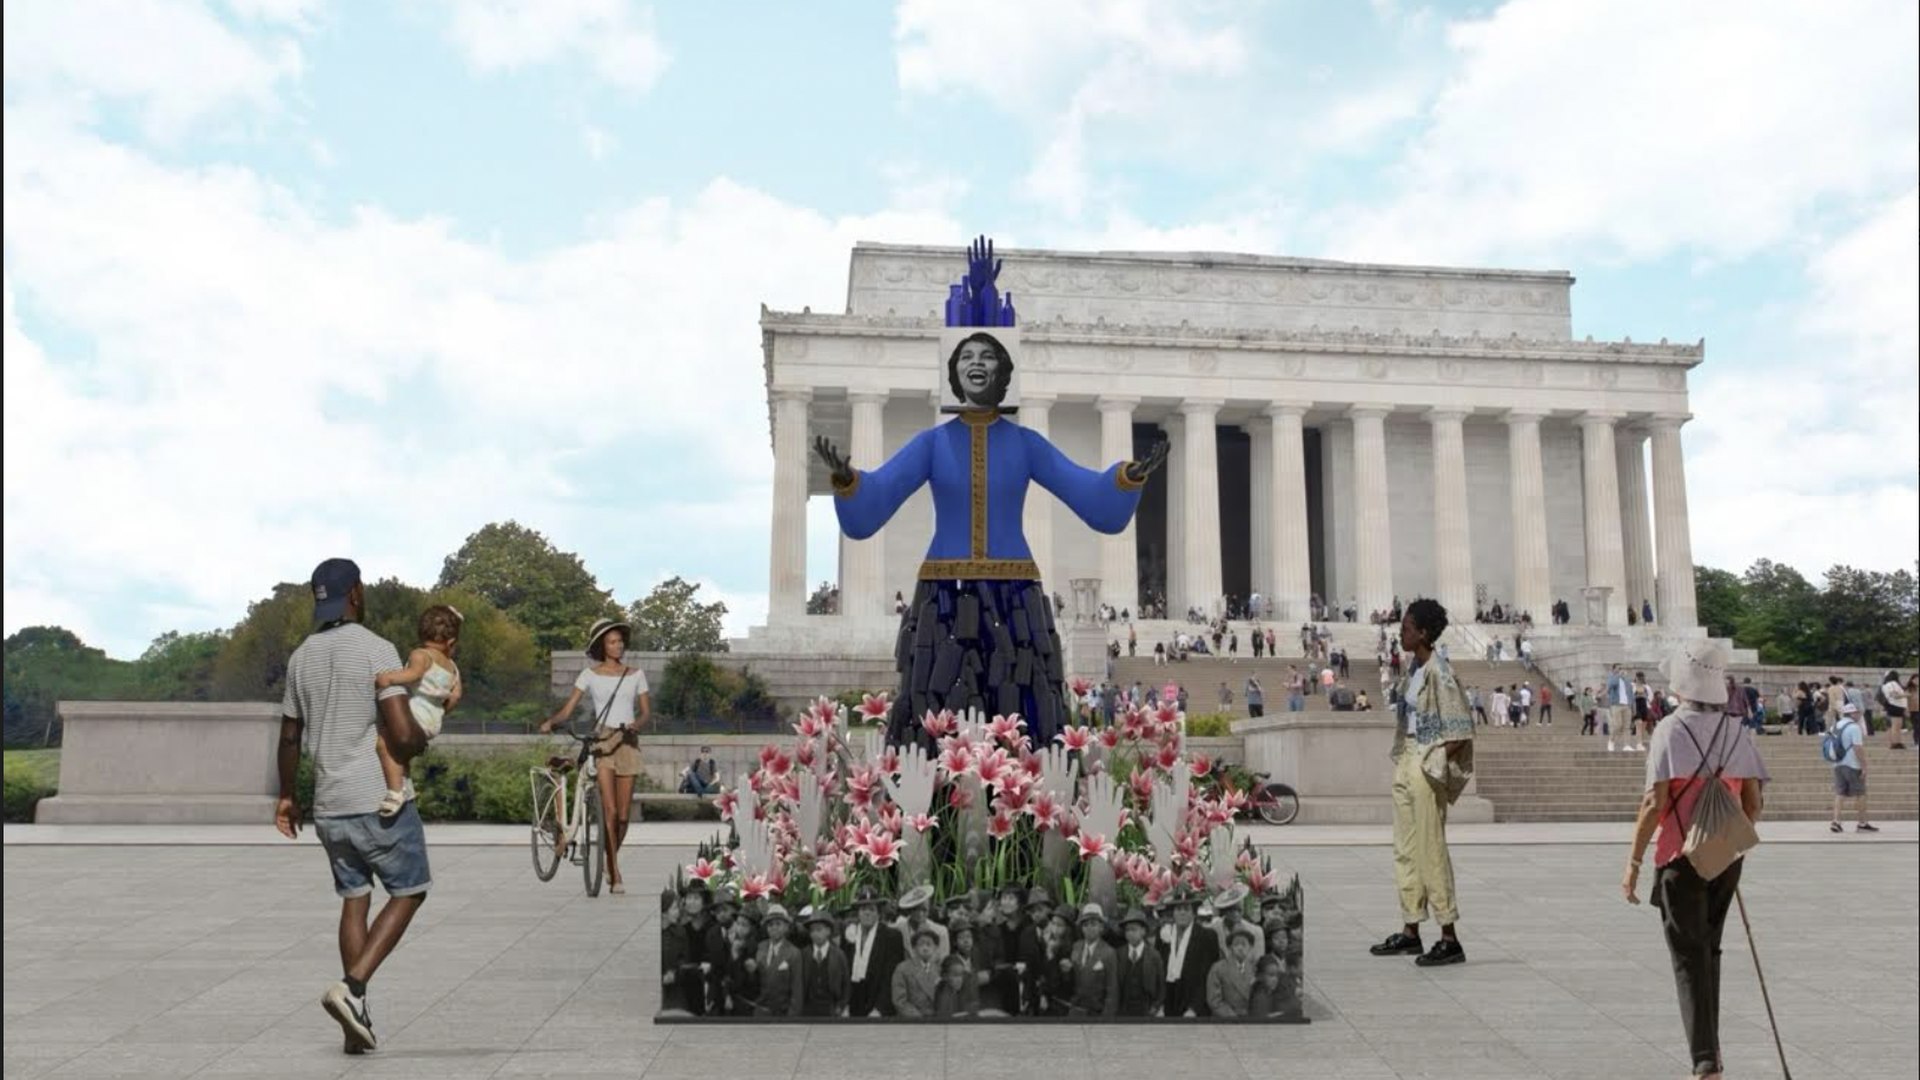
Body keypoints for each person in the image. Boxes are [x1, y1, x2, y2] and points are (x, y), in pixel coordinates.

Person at [816, 299, 1167, 749]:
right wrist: (848, 482)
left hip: (1015, 599)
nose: (976, 365)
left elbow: (1091, 499)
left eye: (987, 357)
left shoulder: (1026, 444)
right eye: (966, 356)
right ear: (953, 371)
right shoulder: (932, 444)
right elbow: (875, 504)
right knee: (932, 717)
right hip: (944, 596)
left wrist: (1127, 478)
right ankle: (933, 811)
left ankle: (1026, 816)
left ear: (1004, 371)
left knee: (1027, 718)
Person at [276, 558, 431, 1055]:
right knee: (410, 891)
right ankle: (353, 987)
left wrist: (287, 796)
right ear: (357, 594)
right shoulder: (377, 650)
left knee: (355, 897)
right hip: (375, 797)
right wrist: (417, 743)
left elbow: (289, 736)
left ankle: (354, 1025)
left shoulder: (301, 656)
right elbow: (401, 734)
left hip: (328, 804)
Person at [1622, 640, 1768, 1080]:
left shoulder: (1669, 729)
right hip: (1725, 856)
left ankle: (1706, 1063)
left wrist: (1632, 862)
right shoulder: (1735, 730)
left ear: (1682, 685)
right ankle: (1712, 1054)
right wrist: (1725, 839)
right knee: (1710, 951)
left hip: (1679, 858)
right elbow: (1754, 804)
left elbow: (1654, 803)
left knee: (1689, 958)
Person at [1371, 598, 1474, 968]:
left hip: (1426, 760)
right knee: (1406, 848)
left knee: (1430, 848)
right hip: (1407, 756)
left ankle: (1449, 936)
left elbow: (1461, 728)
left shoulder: (1439, 672)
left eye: (1408, 628)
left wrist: (1434, 760)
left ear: (1424, 633)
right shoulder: (1414, 670)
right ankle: (1410, 929)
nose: (1402, 633)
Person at [540, 618, 651, 894]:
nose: (618, 645)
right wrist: (551, 722)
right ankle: (615, 872)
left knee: (624, 817)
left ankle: (608, 859)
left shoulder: (636, 674)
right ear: (602, 646)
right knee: (610, 811)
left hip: (627, 741)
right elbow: (568, 710)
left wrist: (636, 725)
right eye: (612, 641)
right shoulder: (589, 675)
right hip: (602, 742)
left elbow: (646, 712)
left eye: (620, 641)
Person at [371, 605, 463, 817]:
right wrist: (440, 711)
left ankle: (395, 792)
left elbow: (413, 675)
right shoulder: (453, 667)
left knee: (384, 742)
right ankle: (406, 785)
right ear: (451, 642)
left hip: (414, 716)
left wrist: (389, 678)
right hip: (432, 722)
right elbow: (456, 696)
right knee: (401, 754)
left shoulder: (421, 654)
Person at [846, 887, 906, 1017]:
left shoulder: (891, 936)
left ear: (879, 913)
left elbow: (891, 977)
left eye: (871, 909)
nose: (867, 913)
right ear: (858, 913)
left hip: (878, 1005)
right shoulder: (850, 935)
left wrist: (880, 1009)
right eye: (863, 909)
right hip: (854, 1002)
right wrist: (845, 1006)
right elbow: (845, 974)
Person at [1161, 893, 1219, 1017]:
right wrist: (1159, 1006)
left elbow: (1208, 976)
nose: (1182, 913)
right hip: (1169, 1001)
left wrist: (1194, 1008)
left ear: (1193, 913)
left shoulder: (1207, 936)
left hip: (1194, 1004)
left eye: (1186, 909)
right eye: (1178, 909)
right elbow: (1159, 973)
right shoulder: (1164, 934)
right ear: (1173, 913)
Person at [1828, 703, 1877, 834]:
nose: (1859, 715)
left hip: (1837, 764)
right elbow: (1858, 748)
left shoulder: (1835, 726)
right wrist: (1864, 766)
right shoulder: (1854, 727)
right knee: (1861, 793)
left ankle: (1836, 822)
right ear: (1852, 713)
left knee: (1840, 793)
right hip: (1852, 764)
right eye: (1857, 712)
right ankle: (1862, 823)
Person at [752, 905, 805, 1018]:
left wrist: (792, 1016)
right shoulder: (760, 948)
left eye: (778, 924)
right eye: (770, 924)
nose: (774, 927)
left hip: (782, 1013)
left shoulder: (794, 953)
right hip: (761, 1011)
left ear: (786, 927)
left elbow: (797, 989)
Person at [1067, 905, 1119, 1017]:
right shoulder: (1076, 947)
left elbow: (1112, 990)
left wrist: (1106, 1018)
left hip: (1096, 1013)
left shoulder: (1109, 953)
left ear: (1101, 927)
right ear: (1081, 928)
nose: (1089, 928)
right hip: (1075, 1010)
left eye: (1093, 924)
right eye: (1085, 925)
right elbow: (1071, 980)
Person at [800, 908, 850, 1017]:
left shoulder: (838, 955)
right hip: (808, 1008)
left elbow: (846, 984)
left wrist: (841, 1006)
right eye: (812, 930)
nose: (815, 934)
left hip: (831, 1008)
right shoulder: (804, 954)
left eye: (819, 929)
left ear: (828, 931)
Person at [1114, 907, 1163, 1016]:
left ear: (1143, 931)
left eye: (1134, 929)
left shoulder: (1154, 955)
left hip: (1146, 1009)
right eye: (1127, 930)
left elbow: (1161, 985)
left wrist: (1156, 1006)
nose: (1130, 933)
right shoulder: (1119, 954)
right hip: (1123, 1010)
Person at [1206, 924, 1259, 1017]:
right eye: (1236, 944)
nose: (1240, 948)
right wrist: (1233, 1018)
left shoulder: (1254, 968)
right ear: (1230, 948)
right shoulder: (1218, 968)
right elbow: (1214, 1001)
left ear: (1250, 947)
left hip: (1251, 1020)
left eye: (1244, 944)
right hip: (1226, 1020)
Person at [891, 926, 944, 1017]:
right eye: (921, 944)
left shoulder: (939, 969)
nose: (925, 948)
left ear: (935, 948)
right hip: (912, 1020)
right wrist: (918, 1018)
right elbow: (899, 1001)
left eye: (929, 944)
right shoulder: (903, 968)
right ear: (914, 948)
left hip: (936, 1020)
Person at [1882, 671, 1909, 749]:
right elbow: (1894, 695)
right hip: (1895, 706)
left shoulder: (1886, 685)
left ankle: (1897, 742)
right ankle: (1895, 743)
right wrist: (1907, 695)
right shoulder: (1892, 684)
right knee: (1896, 726)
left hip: (1896, 707)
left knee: (1897, 726)